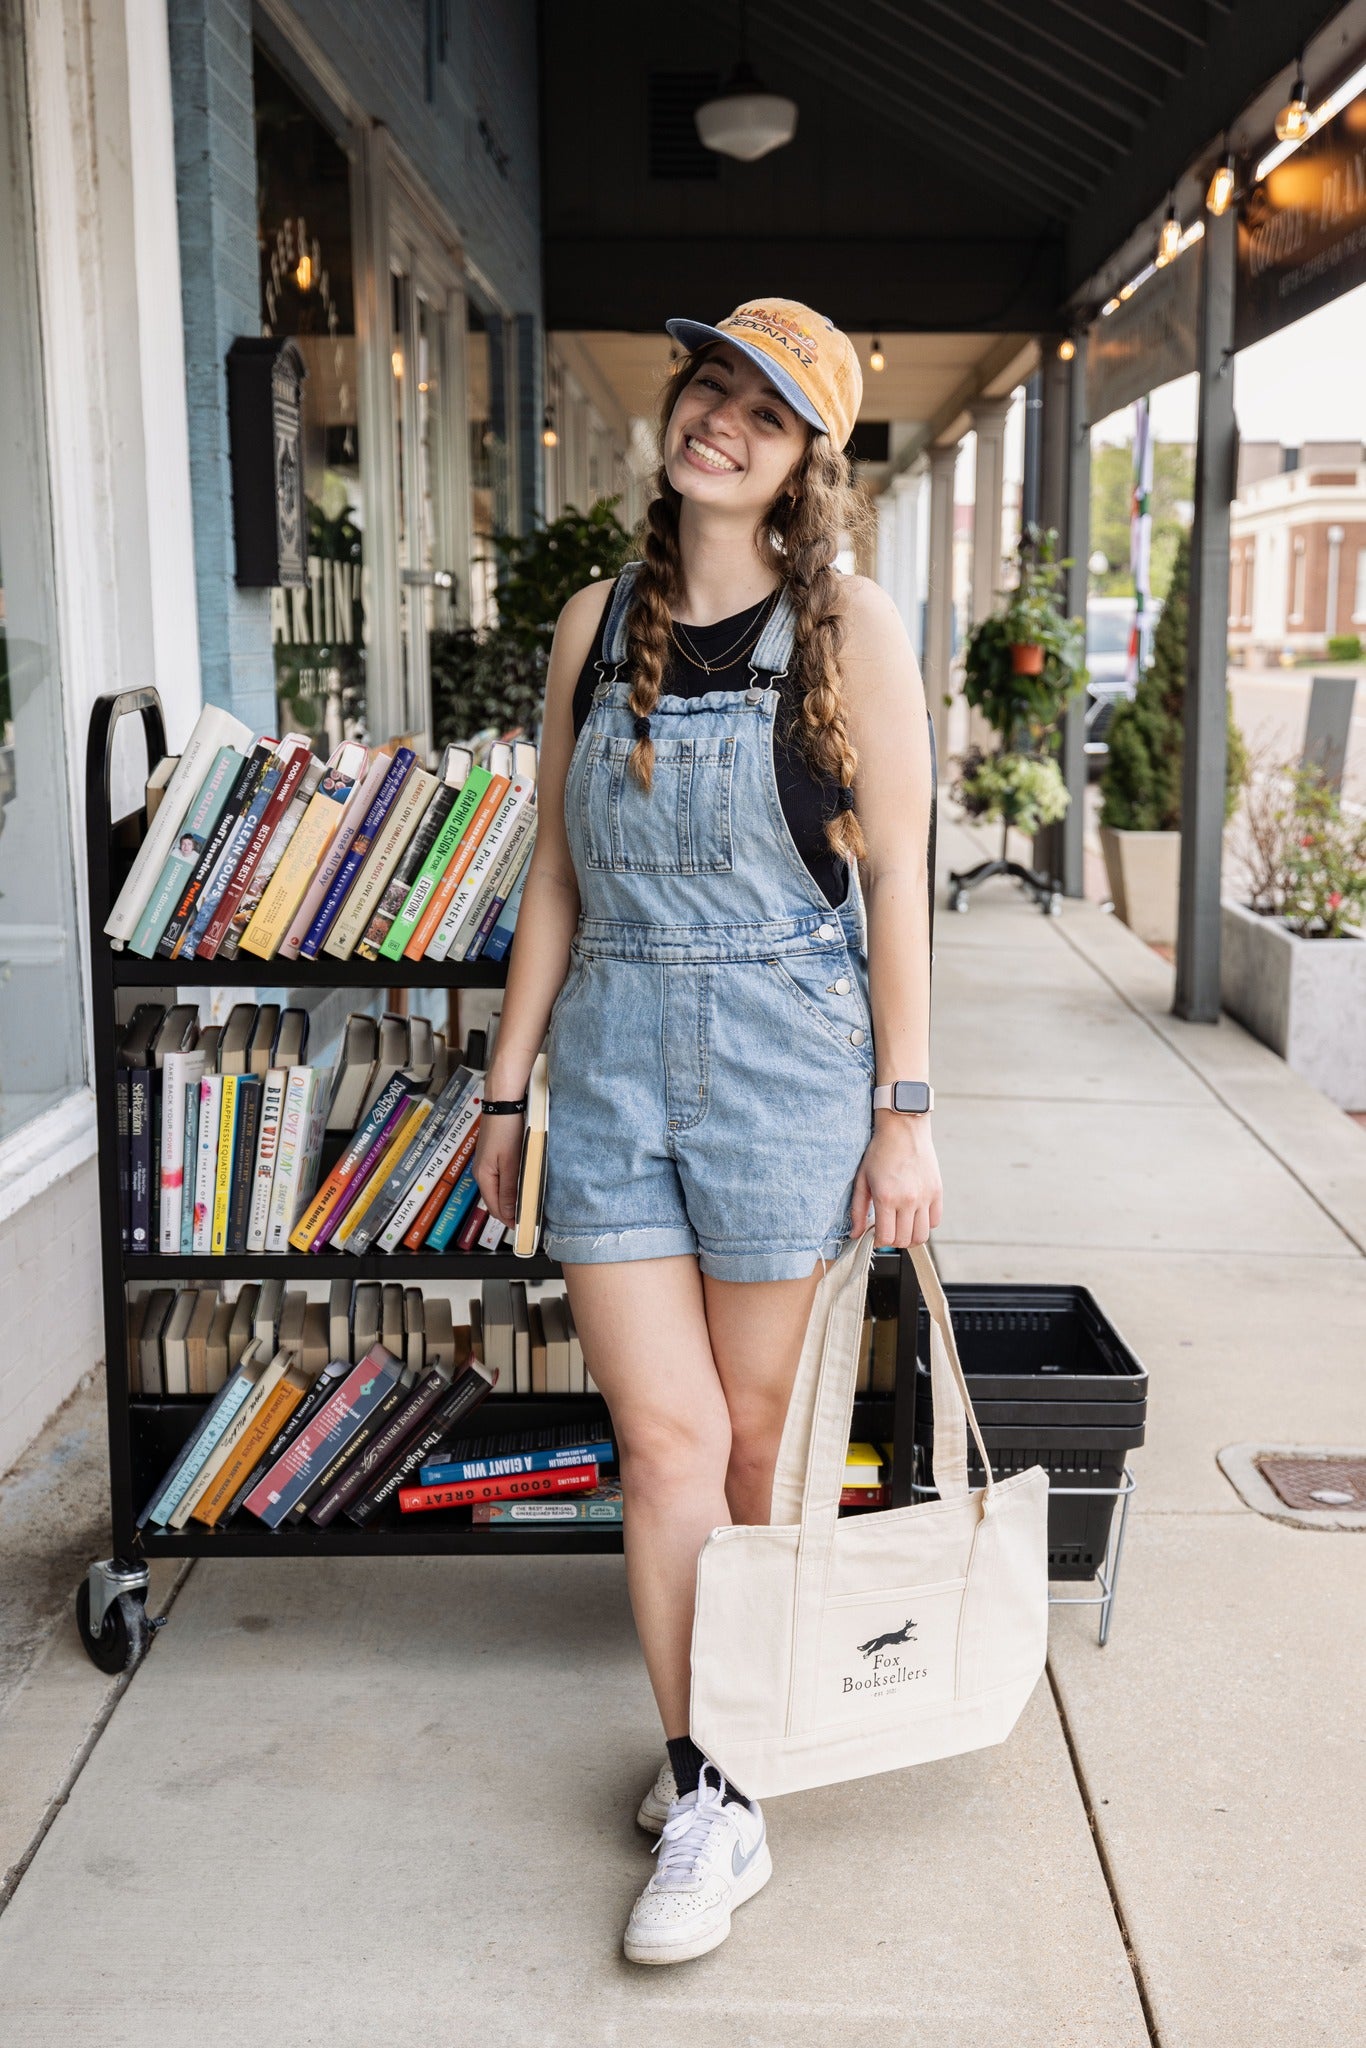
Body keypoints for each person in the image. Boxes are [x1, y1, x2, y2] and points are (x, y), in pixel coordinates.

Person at [472, 298, 940, 1966]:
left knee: (750, 1449)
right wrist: (507, 1086)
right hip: (604, 1055)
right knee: (660, 1445)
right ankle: (708, 1777)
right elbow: (553, 873)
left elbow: (896, 888)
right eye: (705, 388)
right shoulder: (596, 621)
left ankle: (724, 1770)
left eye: (761, 410)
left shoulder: (847, 626)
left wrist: (904, 1111)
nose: (717, 423)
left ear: (804, 456)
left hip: (783, 1061)